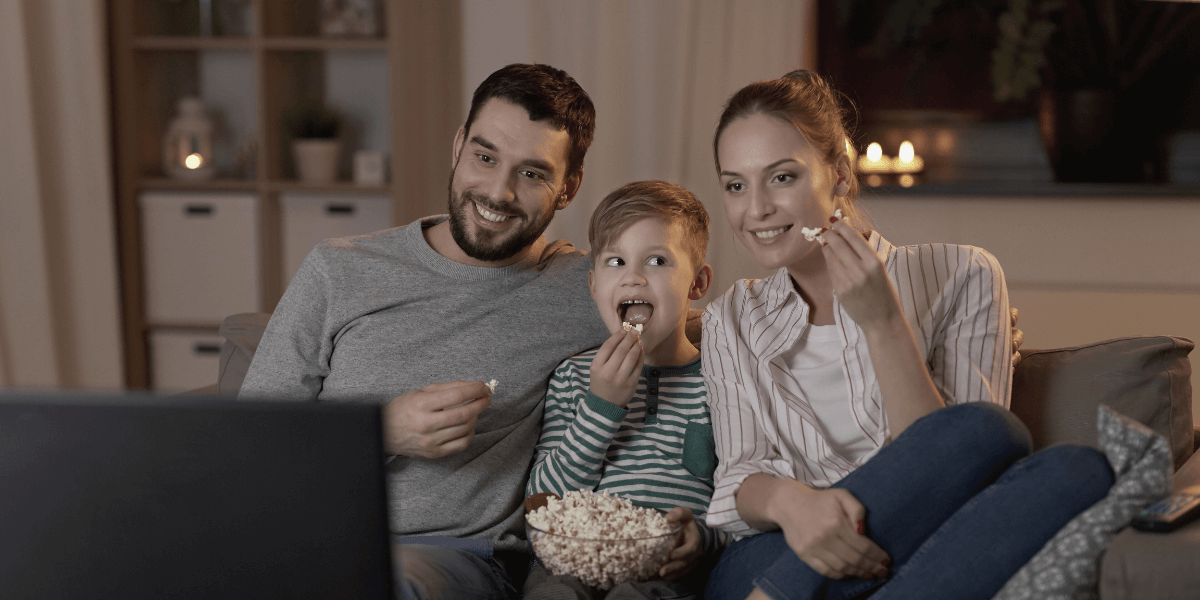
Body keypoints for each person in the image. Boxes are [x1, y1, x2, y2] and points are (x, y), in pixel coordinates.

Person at [698, 70, 1114, 600]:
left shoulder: (964, 274)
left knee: (1073, 468)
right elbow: (738, 476)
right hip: (774, 550)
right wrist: (794, 507)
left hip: (919, 538)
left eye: (782, 177)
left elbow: (963, 463)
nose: (755, 209)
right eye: (736, 184)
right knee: (995, 431)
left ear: (840, 176)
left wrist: (883, 323)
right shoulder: (731, 316)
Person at [239, 63, 611, 600]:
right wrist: (380, 433)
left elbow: (705, 320)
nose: (498, 192)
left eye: (532, 174)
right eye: (484, 157)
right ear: (459, 146)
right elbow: (251, 447)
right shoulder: (338, 269)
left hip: (454, 562)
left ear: (568, 187)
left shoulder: (591, 288)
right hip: (310, 543)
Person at [523, 181, 732, 600]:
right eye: (615, 261)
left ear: (697, 282)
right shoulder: (572, 378)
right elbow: (542, 501)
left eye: (656, 260)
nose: (633, 276)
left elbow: (737, 500)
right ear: (594, 285)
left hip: (664, 571)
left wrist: (705, 540)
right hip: (570, 562)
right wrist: (600, 408)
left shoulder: (723, 383)